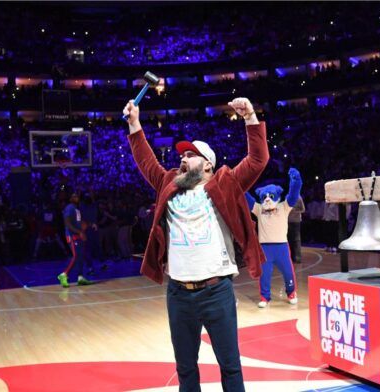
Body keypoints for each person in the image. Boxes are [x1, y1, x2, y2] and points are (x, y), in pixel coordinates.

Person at [124, 97, 268, 391]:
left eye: (190, 154)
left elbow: (257, 161)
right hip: (178, 293)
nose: (183, 158)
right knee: (186, 369)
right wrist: (134, 123)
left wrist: (250, 117)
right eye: (182, 155)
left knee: (230, 366)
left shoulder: (225, 184)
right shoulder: (169, 184)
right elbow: (146, 162)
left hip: (216, 291)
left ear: (207, 165)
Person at [245, 168, 302, 308]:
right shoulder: (259, 209)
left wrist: (296, 181)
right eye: (264, 197)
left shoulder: (284, 207)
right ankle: (265, 297)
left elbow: (293, 195)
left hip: (281, 247)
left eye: (270, 196)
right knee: (264, 275)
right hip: (264, 248)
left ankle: (291, 292)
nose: (267, 199)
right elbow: (246, 198)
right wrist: (240, 185)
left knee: (288, 272)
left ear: (276, 196)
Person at [57, 193, 92, 288]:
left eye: (77, 196)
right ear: (70, 198)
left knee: (80, 256)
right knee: (76, 256)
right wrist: (79, 232)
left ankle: (80, 277)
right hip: (72, 236)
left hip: (78, 235)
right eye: (74, 196)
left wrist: (89, 225)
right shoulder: (69, 207)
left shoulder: (77, 209)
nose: (76, 197)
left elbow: (80, 223)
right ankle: (64, 274)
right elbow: (67, 223)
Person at [287, 195, 305, 264]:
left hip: (296, 221)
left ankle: (297, 258)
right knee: (289, 239)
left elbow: (303, 209)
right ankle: (291, 257)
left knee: (297, 239)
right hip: (288, 221)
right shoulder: (287, 197)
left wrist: (295, 211)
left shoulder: (299, 197)